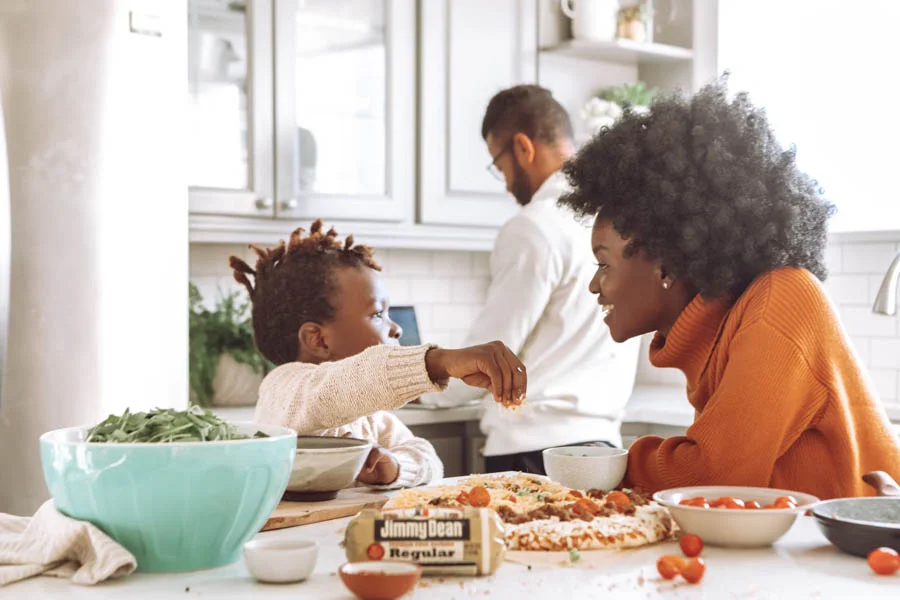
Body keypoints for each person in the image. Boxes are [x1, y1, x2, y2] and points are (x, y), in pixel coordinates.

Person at [558, 77, 900, 499]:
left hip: (857, 558)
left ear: (663, 262)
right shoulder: (721, 329)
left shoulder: (782, 299)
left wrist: (616, 462)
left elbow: (710, 477)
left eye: (603, 263)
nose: (595, 285)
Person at [419, 85, 640, 475]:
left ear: (523, 148)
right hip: (604, 452)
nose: (505, 183)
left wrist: (417, 385)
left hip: (532, 454)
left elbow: (487, 357)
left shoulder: (533, 227)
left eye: (499, 165)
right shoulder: (615, 219)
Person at [231, 220, 526, 489]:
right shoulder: (283, 390)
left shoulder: (370, 419)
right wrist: (438, 363)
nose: (395, 327)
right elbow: (338, 387)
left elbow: (428, 459)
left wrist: (395, 468)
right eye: (377, 314)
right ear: (318, 339)